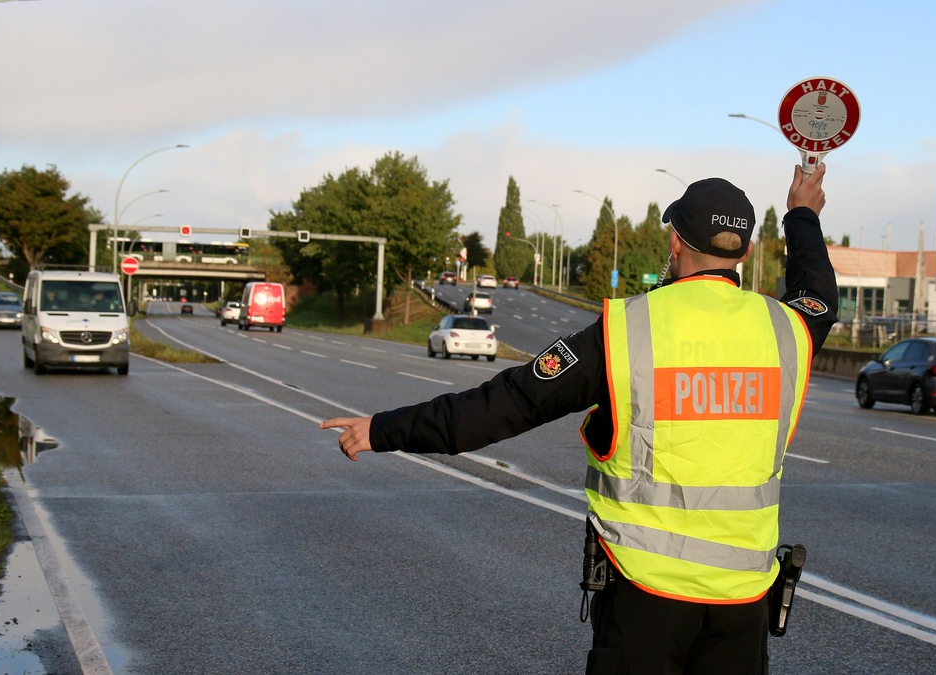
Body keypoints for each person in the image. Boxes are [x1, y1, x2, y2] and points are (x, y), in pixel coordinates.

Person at [322, 164, 837, 674]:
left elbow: (503, 406)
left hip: (644, 594)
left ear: (675, 243)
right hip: (743, 602)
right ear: (744, 252)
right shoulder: (787, 331)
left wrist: (383, 429)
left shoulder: (624, 330)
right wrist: (801, 217)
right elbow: (819, 295)